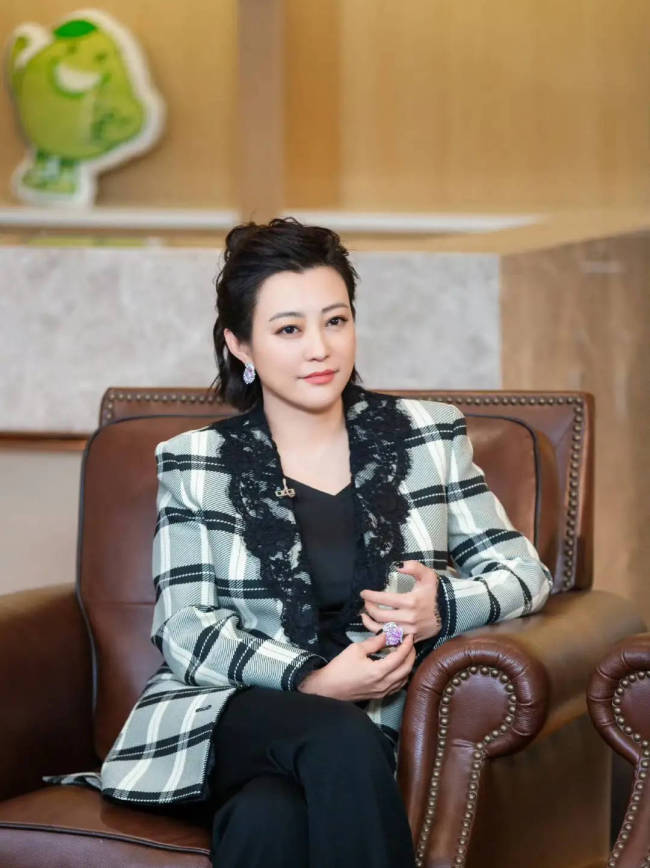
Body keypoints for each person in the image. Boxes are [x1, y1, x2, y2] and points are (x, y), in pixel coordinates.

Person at [70, 218, 553, 866]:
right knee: (334, 734)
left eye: (335, 320)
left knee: (266, 821)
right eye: (289, 330)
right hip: (235, 711)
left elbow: (524, 572)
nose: (320, 349)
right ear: (240, 344)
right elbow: (186, 629)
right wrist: (312, 681)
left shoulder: (427, 436)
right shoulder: (198, 461)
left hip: (370, 724)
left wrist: (443, 607)